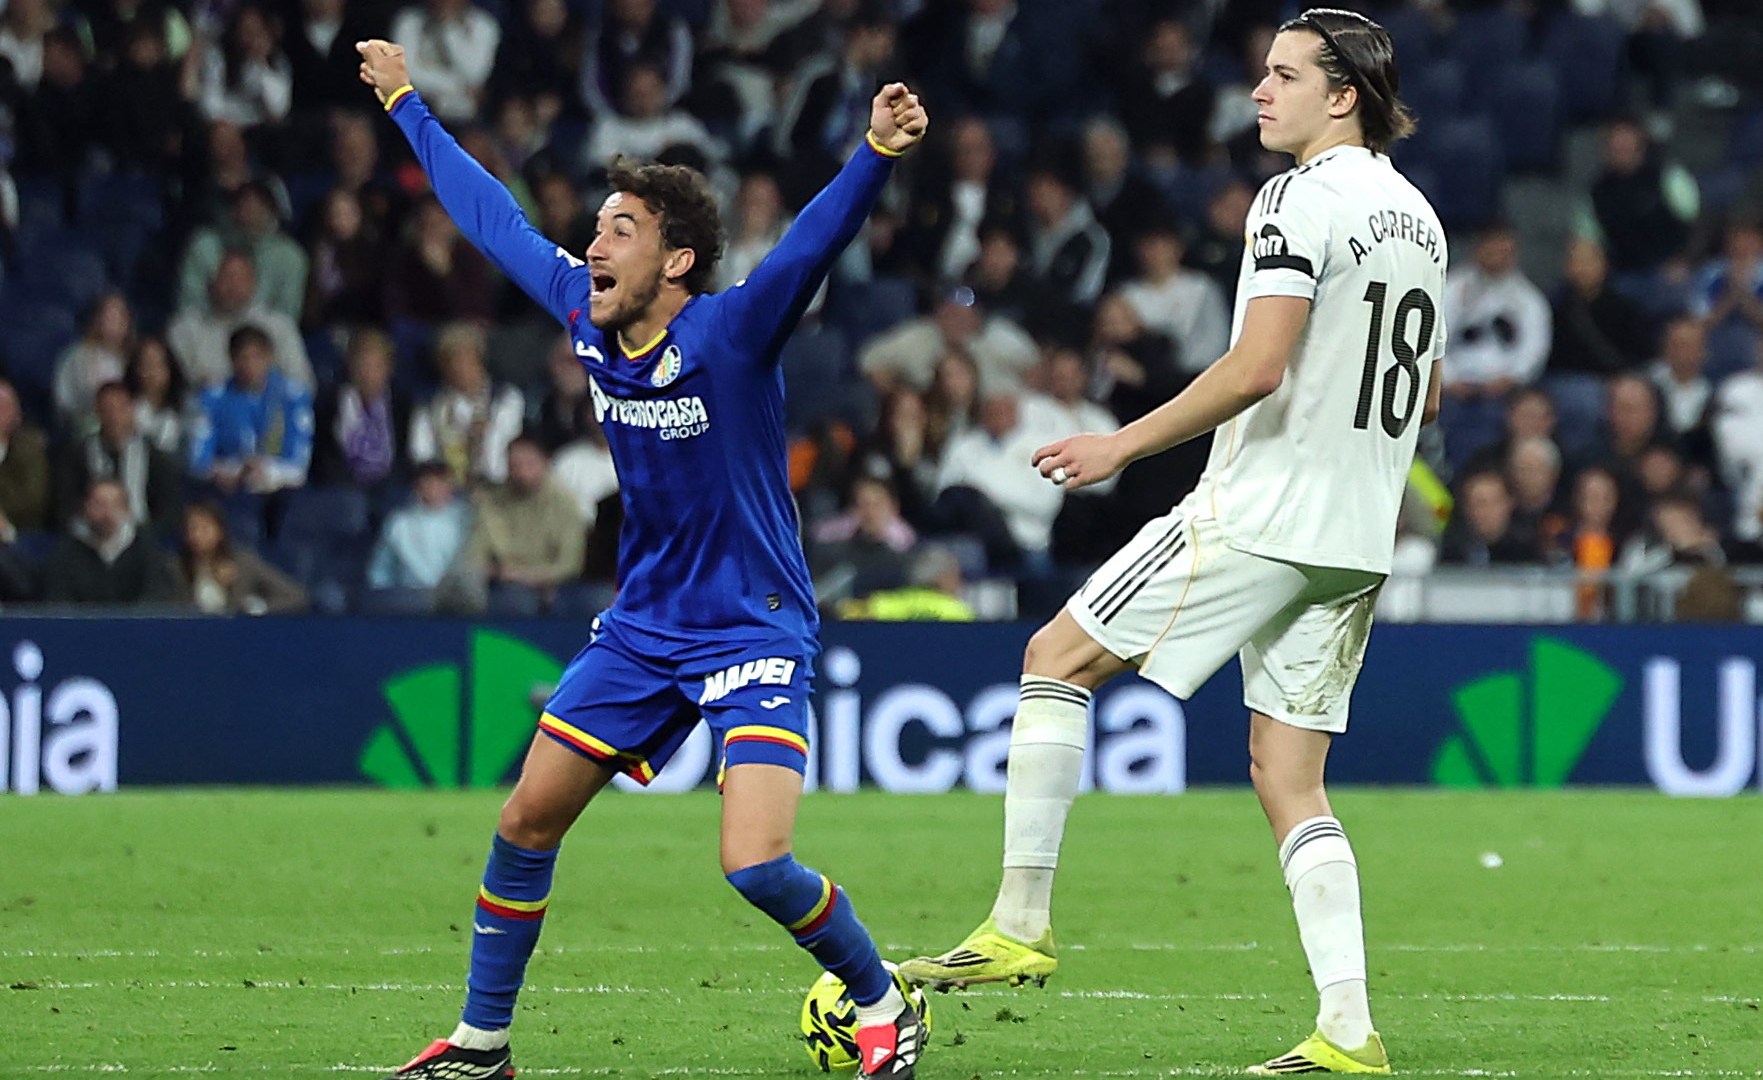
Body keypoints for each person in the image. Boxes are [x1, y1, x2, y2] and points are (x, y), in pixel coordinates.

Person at [355, 38, 930, 1080]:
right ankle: (482, 1045)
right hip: (644, 627)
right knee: (525, 820)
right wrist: (405, 103)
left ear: (675, 262)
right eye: (596, 227)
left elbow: (809, 245)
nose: (593, 244)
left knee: (755, 865)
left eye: (620, 229)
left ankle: (883, 995)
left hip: (752, 626)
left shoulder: (733, 332)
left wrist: (875, 153)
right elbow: (492, 219)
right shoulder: (585, 316)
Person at [900, 12, 1441, 1075]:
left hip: (1263, 512)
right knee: (1289, 778)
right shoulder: (1419, 219)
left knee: (1053, 658)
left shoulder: (1294, 197)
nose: (1258, 91)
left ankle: (1017, 923)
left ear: (1342, 96)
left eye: (1282, 75)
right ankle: (1347, 1030)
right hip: (1355, 533)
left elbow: (1255, 367)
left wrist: (1120, 444)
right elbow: (1417, 395)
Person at [171, 501, 309, 614]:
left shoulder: (244, 562)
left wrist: (257, 607)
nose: (197, 535)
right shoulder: (174, 566)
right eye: (192, 529)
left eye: (204, 528)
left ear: (220, 531)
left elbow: (295, 596)